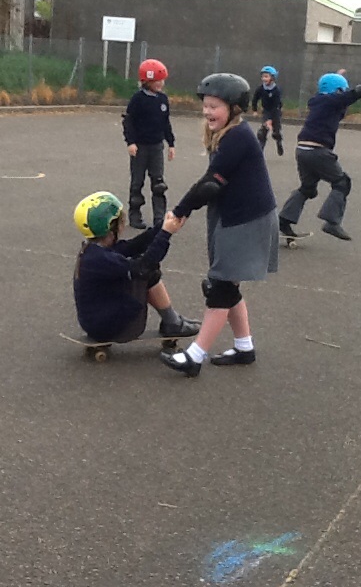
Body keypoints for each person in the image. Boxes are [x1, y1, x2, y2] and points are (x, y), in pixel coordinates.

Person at [159, 73, 279, 377]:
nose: (208, 112)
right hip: (231, 216)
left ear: (235, 108)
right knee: (227, 283)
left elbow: (211, 183)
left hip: (246, 219)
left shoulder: (238, 136)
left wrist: (180, 210)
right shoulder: (226, 134)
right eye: (206, 106)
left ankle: (195, 356)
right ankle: (244, 347)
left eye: (215, 106)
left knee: (220, 288)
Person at [278, 70, 361, 241]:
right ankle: (331, 222)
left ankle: (283, 220)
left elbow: (335, 94)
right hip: (319, 152)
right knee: (342, 182)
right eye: (343, 89)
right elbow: (359, 92)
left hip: (302, 150)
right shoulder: (334, 100)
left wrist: (335, 77)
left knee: (307, 188)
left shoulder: (318, 100)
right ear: (339, 90)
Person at [73, 191, 200, 343]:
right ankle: (172, 323)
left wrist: (167, 222)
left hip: (96, 322)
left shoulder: (94, 251)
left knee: (140, 266)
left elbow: (135, 245)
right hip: (108, 328)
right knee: (147, 271)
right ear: (111, 225)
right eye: (121, 220)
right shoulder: (100, 258)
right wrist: (166, 234)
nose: (124, 224)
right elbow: (144, 267)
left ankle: (172, 321)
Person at [122, 59, 176, 230]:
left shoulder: (163, 99)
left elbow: (165, 123)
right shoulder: (138, 99)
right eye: (156, 81)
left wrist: (171, 143)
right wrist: (131, 142)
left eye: (162, 80)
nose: (160, 84)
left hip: (156, 146)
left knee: (158, 182)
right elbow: (128, 122)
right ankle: (135, 215)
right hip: (140, 147)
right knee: (137, 182)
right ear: (146, 82)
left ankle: (159, 218)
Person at [251, 65, 284, 156]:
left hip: (275, 111)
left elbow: (276, 105)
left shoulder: (276, 90)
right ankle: (260, 151)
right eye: (263, 76)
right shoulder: (261, 89)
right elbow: (255, 99)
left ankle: (279, 143)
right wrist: (255, 110)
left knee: (276, 133)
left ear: (272, 78)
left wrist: (271, 119)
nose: (264, 79)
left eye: (266, 76)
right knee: (263, 132)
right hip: (266, 111)